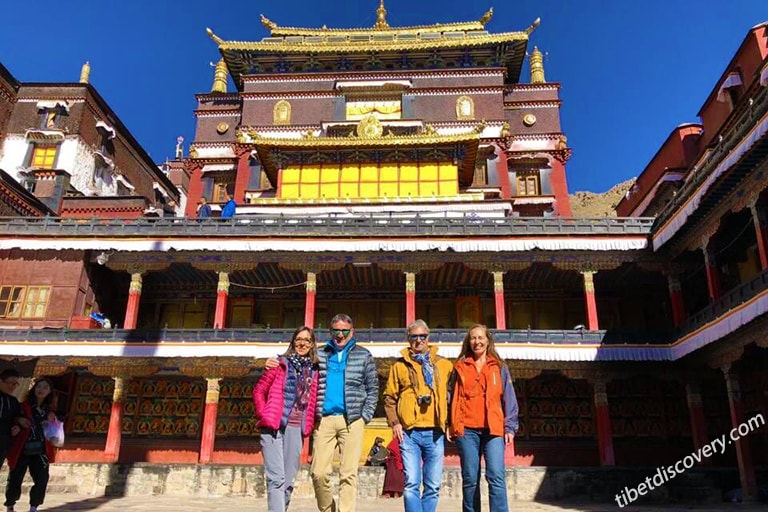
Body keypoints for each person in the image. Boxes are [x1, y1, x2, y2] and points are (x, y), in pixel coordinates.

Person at [266, 314, 378, 512]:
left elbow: (373, 388)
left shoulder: (364, 355)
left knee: (348, 474)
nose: (340, 335)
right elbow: (294, 362)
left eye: (345, 331)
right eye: (336, 331)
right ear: (330, 332)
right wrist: (273, 361)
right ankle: (329, 509)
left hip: (352, 420)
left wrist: (365, 415)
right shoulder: (319, 355)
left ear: (352, 332)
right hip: (324, 419)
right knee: (318, 472)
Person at [383, 319, 453, 512]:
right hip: (409, 433)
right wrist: (394, 422)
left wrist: (450, 423)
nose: (419, 340)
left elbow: (453, 397)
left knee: (432, 485)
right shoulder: (399, 366)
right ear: (408, 339)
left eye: (423, 336)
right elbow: (389, 397)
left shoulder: (444, 365)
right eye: (414, 337)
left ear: (428, 338)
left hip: (435, 432)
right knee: (411, 483)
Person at [447, 324, 518, 512]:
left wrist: (510, 426)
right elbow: (450, 396)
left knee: (496, 476)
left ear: (488, 340)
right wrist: (449, 423)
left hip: (493, 429)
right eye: (473, 338)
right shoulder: (460, 367)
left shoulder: (499, 367)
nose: (476, 342)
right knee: (470, 478)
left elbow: (509, 398)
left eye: (480, 338)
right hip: (466, 430)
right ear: (468, 342)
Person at [253, 326, 320, 512]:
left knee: (288, 481)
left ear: (312, 344)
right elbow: (259, 391)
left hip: (295, 428)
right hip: (273, 427)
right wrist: (264, 414)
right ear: (292, 342)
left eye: (307, 340)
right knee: (276, 479)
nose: (302, 343)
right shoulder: (279, 365)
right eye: (299, 339)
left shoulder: (315, 371)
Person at [5, 377, 58, 512]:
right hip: (22, 448)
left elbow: (53, 431)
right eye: (39, 386)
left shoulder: (49, 411)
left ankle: (33, 507)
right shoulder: (23, 406)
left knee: (42, 479)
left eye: (45, 387)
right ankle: (10, 505)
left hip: (41, 450)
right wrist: (19, 422)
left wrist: (53, 423)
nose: (41, 390)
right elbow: (12, 419)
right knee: (16, 478)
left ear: (49, 392)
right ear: (34, 388)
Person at [0, 369, 24, 470]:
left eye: (15, 384)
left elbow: (19, 418)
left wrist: (18, 426)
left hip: (3, 443)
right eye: (10, 383)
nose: (12, 387)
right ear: (1, 381)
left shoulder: (13, 402)